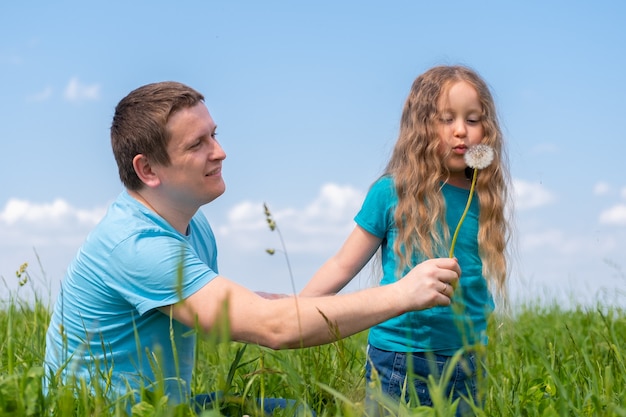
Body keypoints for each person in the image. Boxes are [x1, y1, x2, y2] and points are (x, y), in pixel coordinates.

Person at [43, 81, 461, 415]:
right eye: (197, 145)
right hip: (103, 410)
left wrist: (285, 303)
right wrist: (402, 294)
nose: (220, 152)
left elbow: (222, 309)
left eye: (214, 135)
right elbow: (272, 329)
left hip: (166, 407)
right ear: (147, 169)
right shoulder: (136, 246)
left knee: (294, 410)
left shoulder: (193, 225)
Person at [299, 65, 511, 416]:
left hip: (468, 359)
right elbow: (342, 264)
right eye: (446, 118)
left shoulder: (483, 197)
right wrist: (296, 310)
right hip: (398, 356)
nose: (461, 131)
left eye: (472, 120)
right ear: (421, 126)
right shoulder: (391, 192)